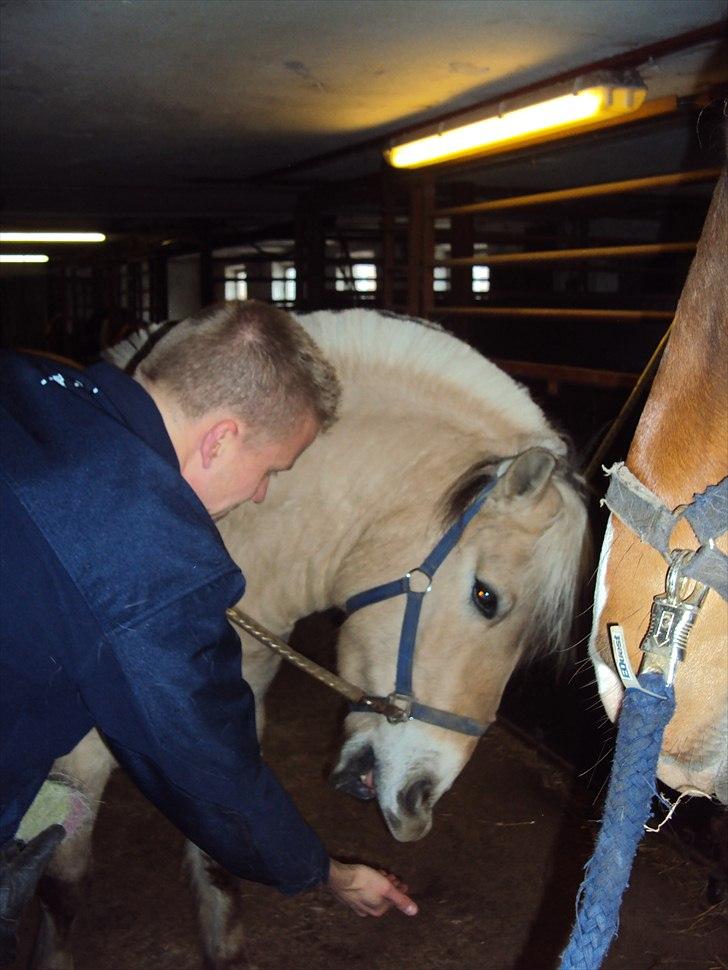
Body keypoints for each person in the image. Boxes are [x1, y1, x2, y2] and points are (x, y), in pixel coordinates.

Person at [0, 300, 417, 962]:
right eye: (270, 470)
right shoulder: (149, 552)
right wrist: (323, 872)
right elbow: (208, 767)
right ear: (220, 439)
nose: (258, 494)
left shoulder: (23, 384)